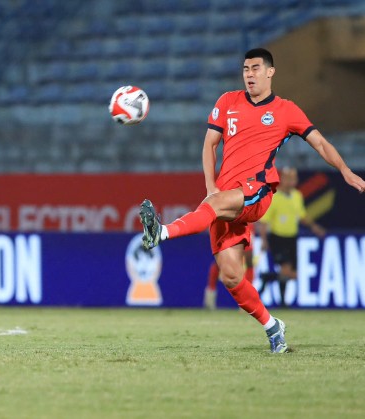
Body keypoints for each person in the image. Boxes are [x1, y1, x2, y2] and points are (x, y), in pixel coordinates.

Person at [140, 48, 365, 353]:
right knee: (232, 276)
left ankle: (161, 232)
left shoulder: (286, 111)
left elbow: (320, 143)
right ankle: (273, 327)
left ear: (270, 72)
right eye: (246, 68)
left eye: (256, 68)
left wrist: (346, 171)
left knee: (217, 207)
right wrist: (210, 187)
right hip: (226, 197)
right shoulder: (227, 102)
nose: (249, 74)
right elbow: (210, 144)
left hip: (256, 192)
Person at [257, 167, 326, 307]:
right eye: (289, 177)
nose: (292, 181)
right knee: (286, 270)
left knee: (293, 275)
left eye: (294, 178)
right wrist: (264, 240)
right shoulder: (274, 197)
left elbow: (302, 215)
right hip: (277, 238)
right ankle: (283, 303)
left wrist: (314, 227)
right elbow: (264, 221)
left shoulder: (297, 196)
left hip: (292, 238)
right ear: (282, 179)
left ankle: (266, 277)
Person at [203, 223, 254, 310]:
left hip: (244, 228)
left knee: (249, 263)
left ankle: (247, 303)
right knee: (219, 263)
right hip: (227, 229)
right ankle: (209, 299)